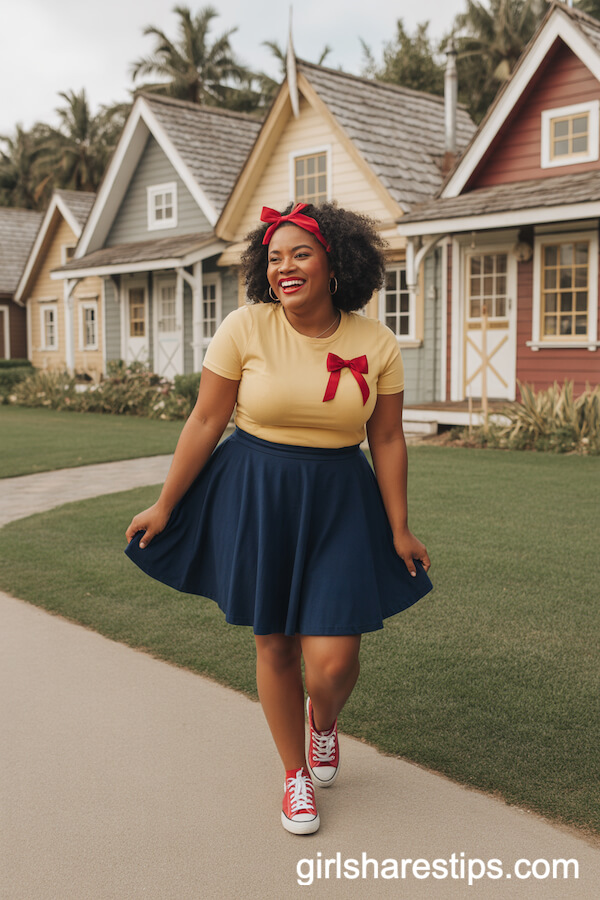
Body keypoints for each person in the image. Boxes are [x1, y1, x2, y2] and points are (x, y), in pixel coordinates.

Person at [125, 201, 432, 835]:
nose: (285, 267)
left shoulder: (375, 342)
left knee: (334, 661)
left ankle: (323, 724)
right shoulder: (245, 327)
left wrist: (399, 525)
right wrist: (165, 502)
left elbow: (390, 439)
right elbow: (207, 420)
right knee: (274, 640)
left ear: (335, 262)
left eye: (300, 253)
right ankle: (295, 773)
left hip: (341, 498)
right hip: (257, 489)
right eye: (274, 257)